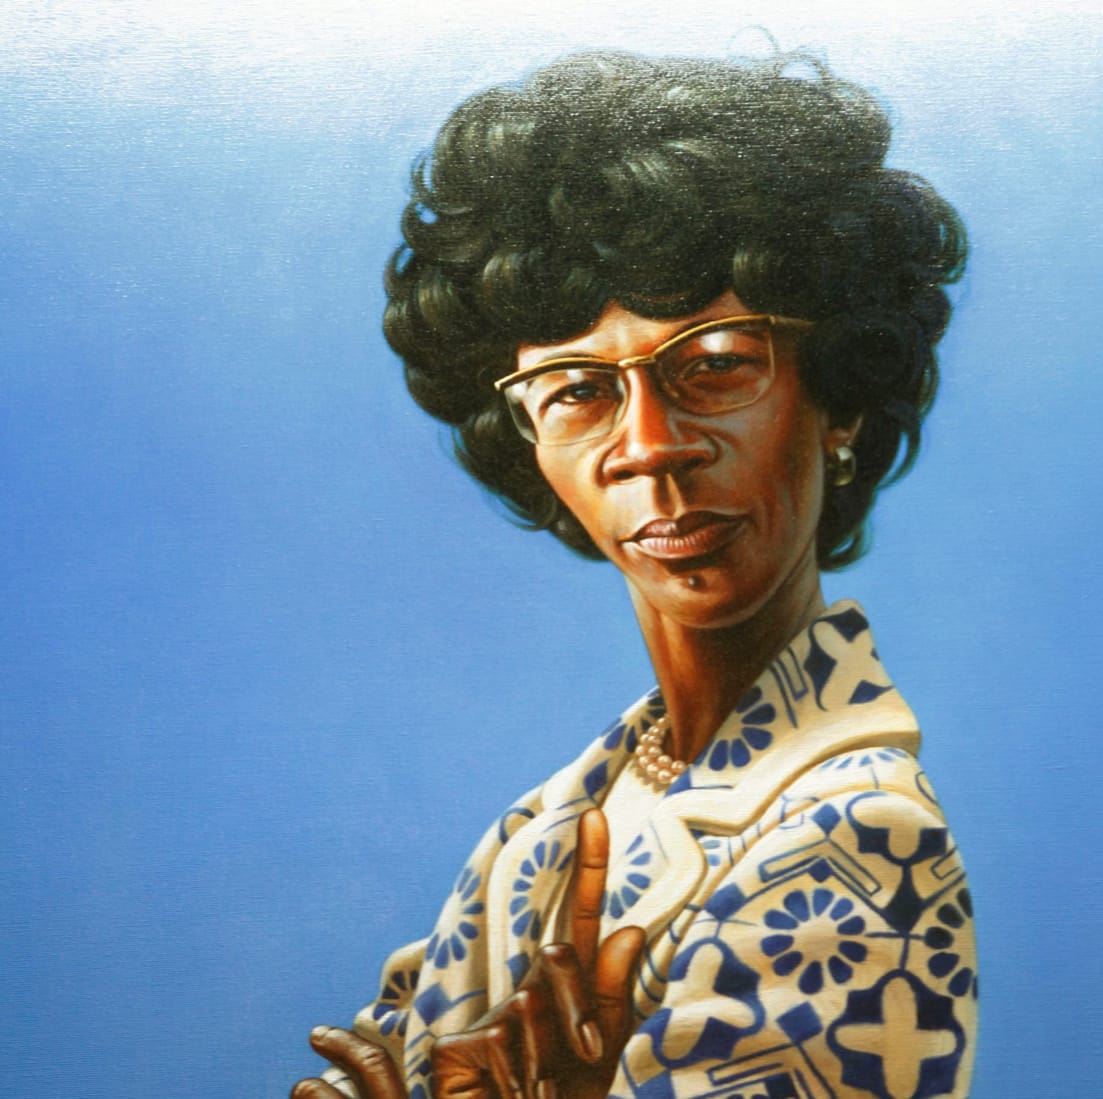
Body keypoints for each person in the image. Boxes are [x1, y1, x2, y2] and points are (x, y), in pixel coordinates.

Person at [292, 49, 977, 1099]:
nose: (650, 447)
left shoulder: (859, 836)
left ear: (841, 397)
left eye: (715, 364)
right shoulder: (551, 822)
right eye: (577, 390)